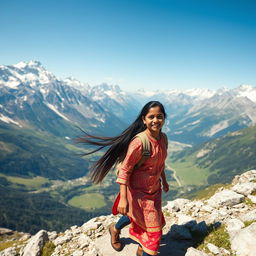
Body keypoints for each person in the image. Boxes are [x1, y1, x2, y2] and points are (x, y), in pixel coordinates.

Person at [77, 101, 169, 256]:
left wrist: (164, 181)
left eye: (159, 116)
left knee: (138, 217)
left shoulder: (163, 138)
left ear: (164, 118)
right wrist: (124, 199)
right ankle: (145, 249)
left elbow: (160, 163)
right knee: (154, 235)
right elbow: (125, 171)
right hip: (138, 192)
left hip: (154, 190)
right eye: (151, 117)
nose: (155, 120)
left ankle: (115, 229)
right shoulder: (139, 142)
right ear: (144, 120)